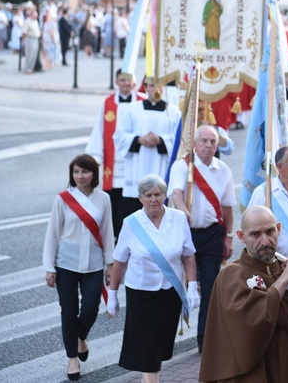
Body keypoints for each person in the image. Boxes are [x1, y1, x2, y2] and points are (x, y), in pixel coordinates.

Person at [198, 206, 288, 382]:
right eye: (255, 234)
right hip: (257, 371)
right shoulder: (232, 275)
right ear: (241, 236)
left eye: (269, 231)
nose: (264, 241)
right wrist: (284, 281)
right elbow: (249, 322)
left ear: (278, 229)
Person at [106, 174, 199, 383]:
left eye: (157, 194)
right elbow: (119, 261)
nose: (153, 199)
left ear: (165, 195)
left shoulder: (178, 218)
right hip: (141, 293)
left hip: (170, 292)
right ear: (140, 198)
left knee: (160, 344)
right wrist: (112, 294)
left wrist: (192, 286)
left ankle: (148, 378)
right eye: (148, 195)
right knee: (147, 347)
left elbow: (188, 255)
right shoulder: (131, 223)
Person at [43, 154, 114, 381]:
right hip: (66, 264)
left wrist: (110, 264)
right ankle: (72, 359)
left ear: (93, 173)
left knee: (91, 308)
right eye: (76, 172)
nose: (80, 176)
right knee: (68, 311)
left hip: (93, 264)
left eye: (84, 171)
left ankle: (81, 336)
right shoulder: (63, 199)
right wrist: (49, 267)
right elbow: (53, 234)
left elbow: (107, 232)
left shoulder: (103, 199)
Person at [167, 125, 236, 353]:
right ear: (195, 144)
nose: (208, 146)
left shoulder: (223, 170)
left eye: (212, 142)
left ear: (217, 146)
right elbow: (176, 193)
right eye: (204, 141)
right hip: (186, 232)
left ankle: (204, 339)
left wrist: (228, 237)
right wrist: (181, 209)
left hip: (212, 234)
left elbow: (227, 207)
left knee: (210, 286)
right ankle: (166, 336)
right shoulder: (183, 166)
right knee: (177, 284)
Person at [85, 70, 144, 239]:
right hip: (114, 164)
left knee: (135, 200)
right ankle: (114, 237)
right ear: (116, 81)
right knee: (115, 202)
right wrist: (95, 159)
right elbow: (99, 130)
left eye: (129, 80)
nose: (126, 83)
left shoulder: (143, 102)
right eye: (122, 80)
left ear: (134, 83)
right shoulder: (107, 103)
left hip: (135, 161)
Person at [114, 77, 181, 218]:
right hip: (137, 167)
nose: (155, 89)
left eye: (159, 85)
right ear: (145, 87)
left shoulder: (174, 112)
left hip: (161, 164)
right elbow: (119, 136)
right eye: (151, 85)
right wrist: (139, 139)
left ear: (163, 87)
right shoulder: (133, 109)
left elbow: (179, 139)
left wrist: (161, 140)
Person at [22, 8, 41, 74]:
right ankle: (27, 69)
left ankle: (31, 68)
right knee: (29, 55)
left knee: (34, 55)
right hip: (30, 39)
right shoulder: (28, 21)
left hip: (36, 39)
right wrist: (24, 41)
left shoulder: (35, 21)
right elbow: (24, 32)